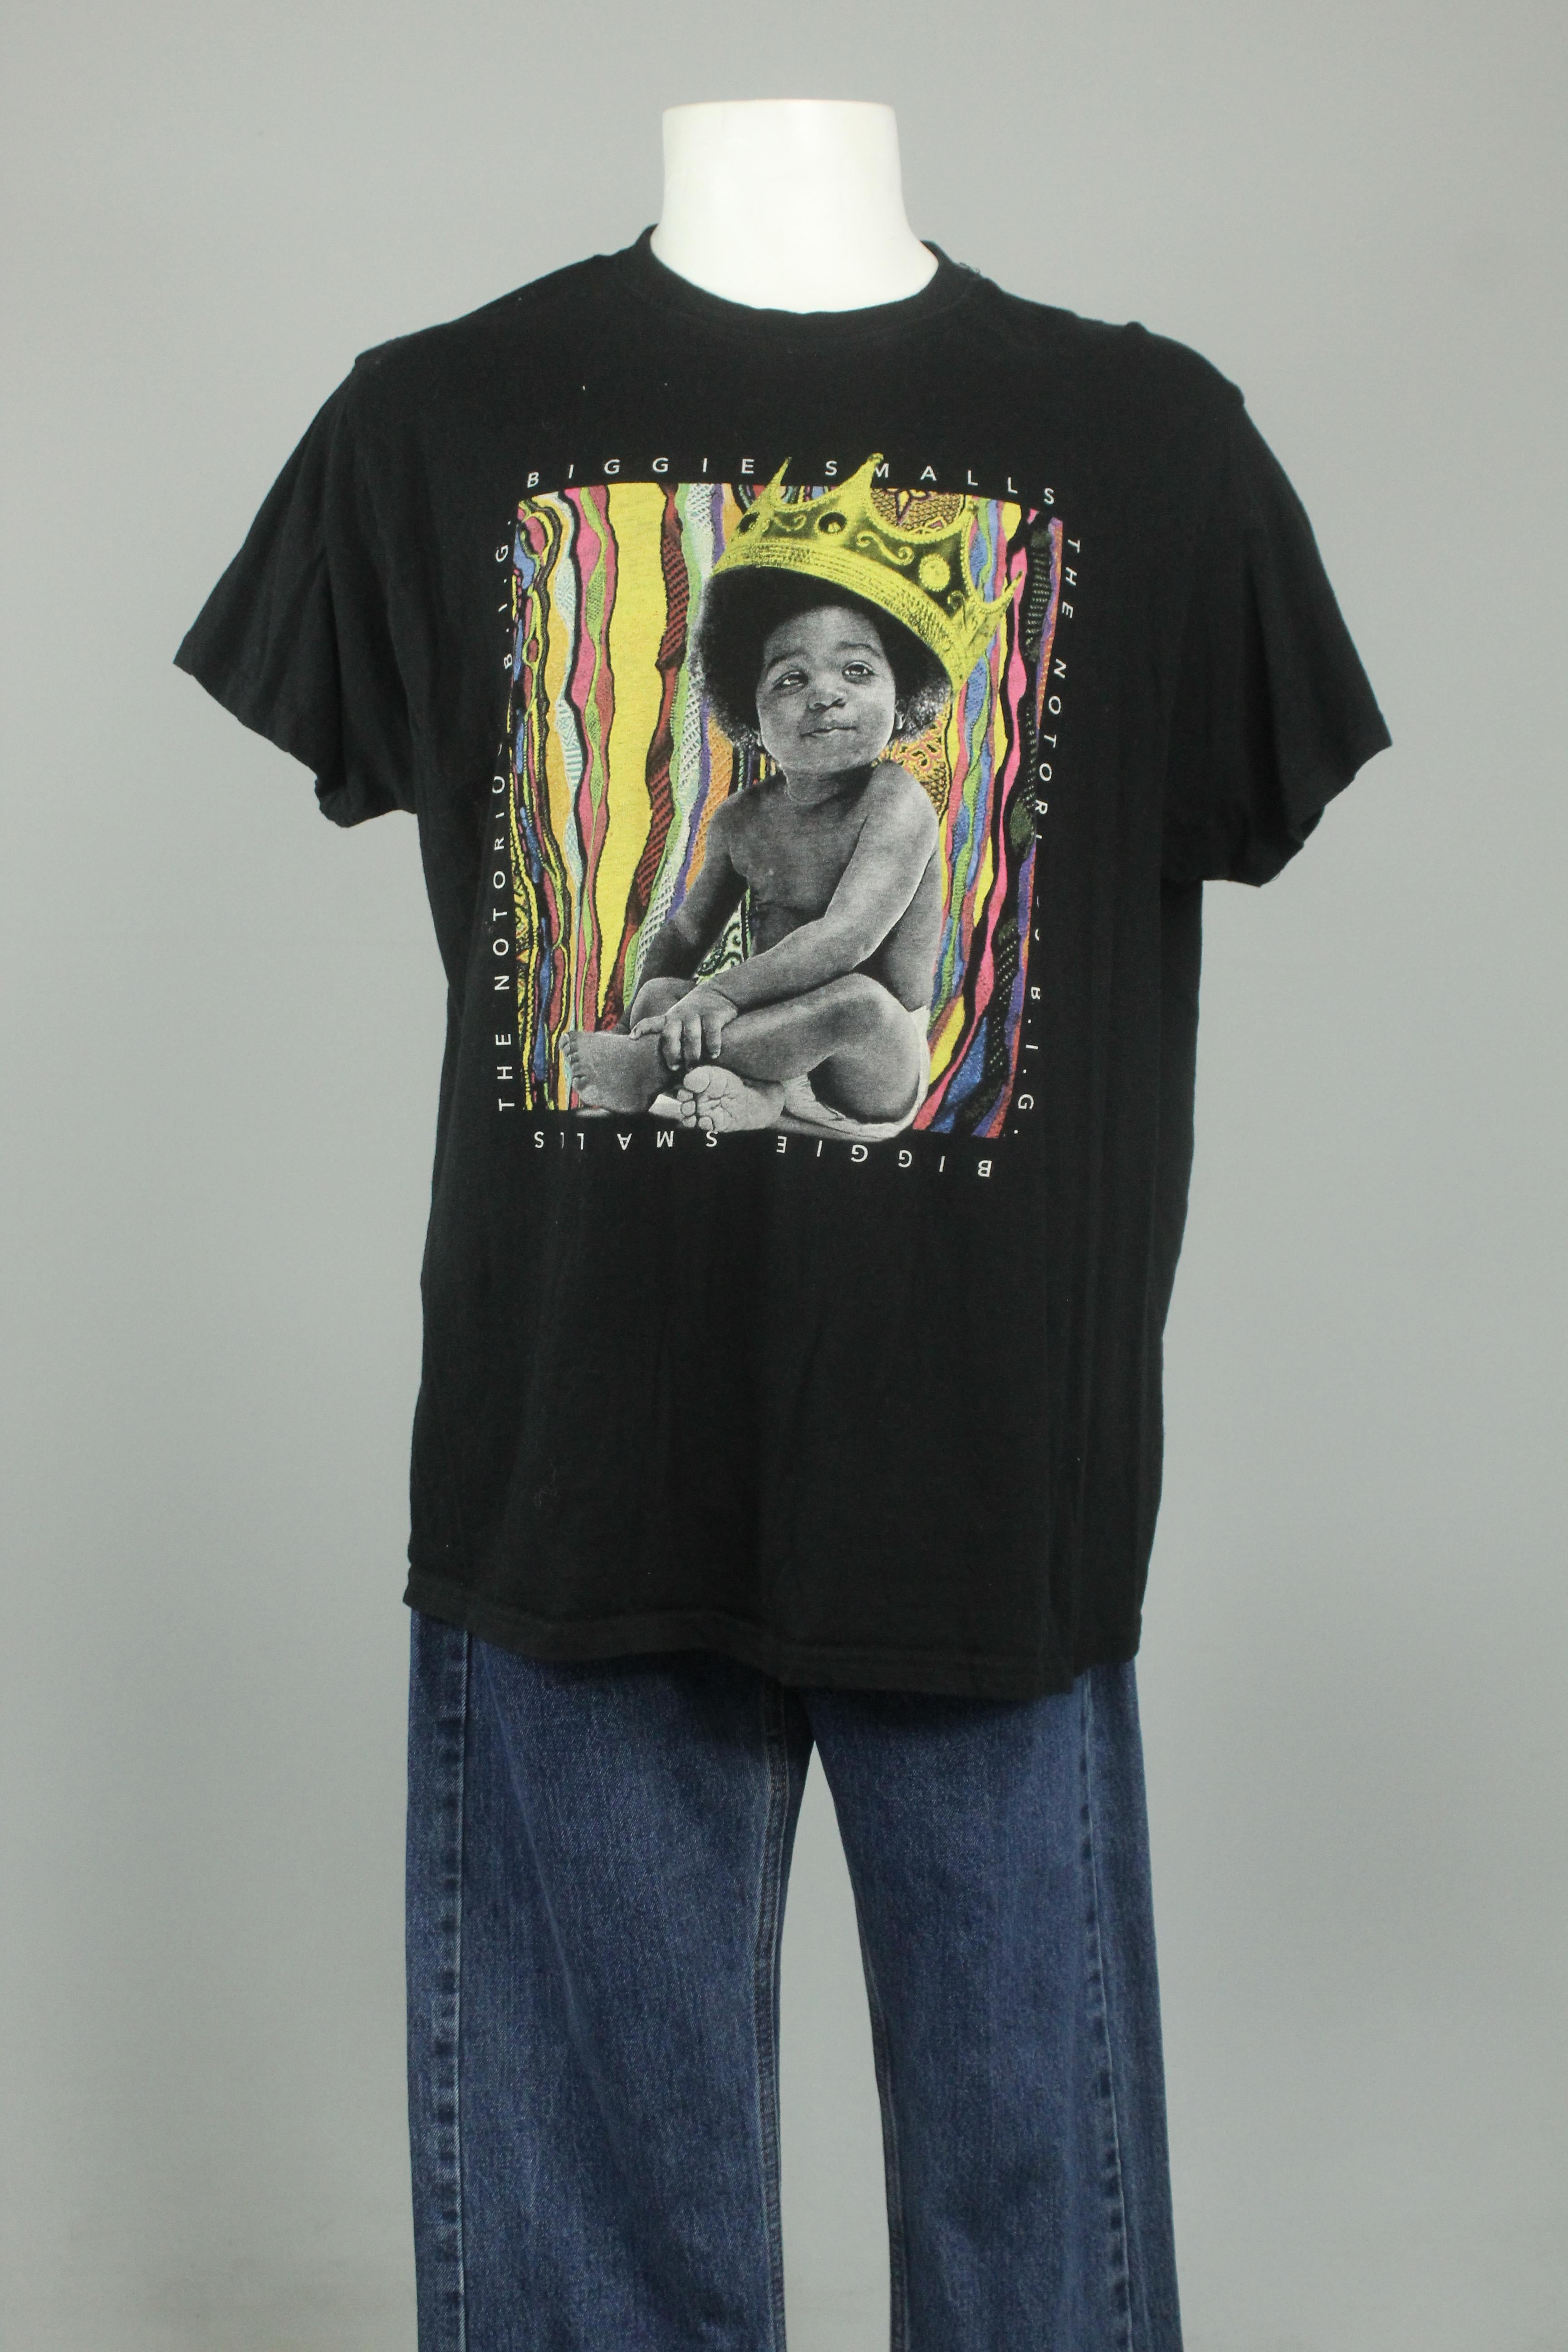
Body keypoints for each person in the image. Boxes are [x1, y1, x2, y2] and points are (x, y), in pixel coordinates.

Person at [561, 567, 954, 1140]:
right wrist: (637, 1020)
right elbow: (686, 934)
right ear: (750, 712)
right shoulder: (740, 818)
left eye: (857, 670)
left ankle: (656, 1067)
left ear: (903, 694)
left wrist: (718, 995)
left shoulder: (896, 797)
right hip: (765, 1045)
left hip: (867, 1072)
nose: (826, 694)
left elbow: (847, 938)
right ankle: (754, 1098)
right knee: (661, 994)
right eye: (792, 680)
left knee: (861, 1002)